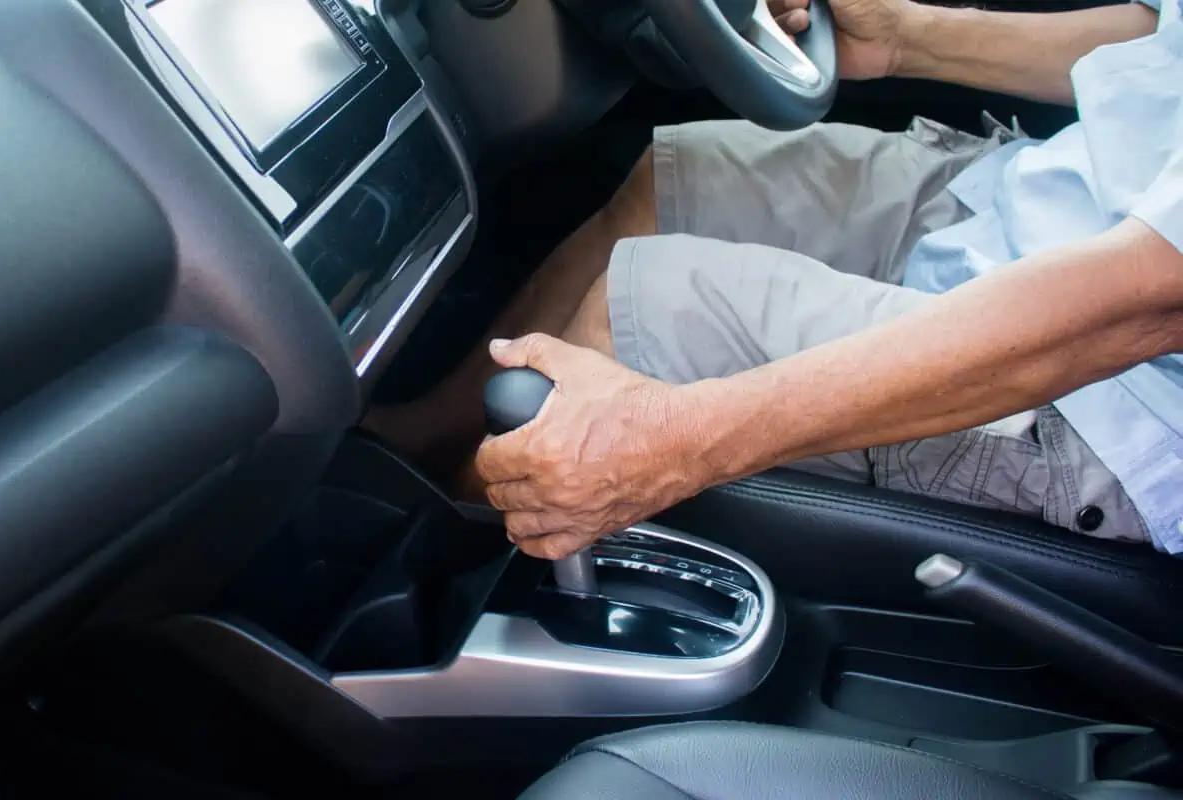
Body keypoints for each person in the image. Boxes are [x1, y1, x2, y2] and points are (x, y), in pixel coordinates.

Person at [366, 0, 1183, 563]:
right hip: (1032, 203)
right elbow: (1158, 39)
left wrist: (676, 441)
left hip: (1115, 400)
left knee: (645, 307)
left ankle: (425, 557)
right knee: (687, 176)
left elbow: (1142, 300)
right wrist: (902, 37)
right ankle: (412, 447)